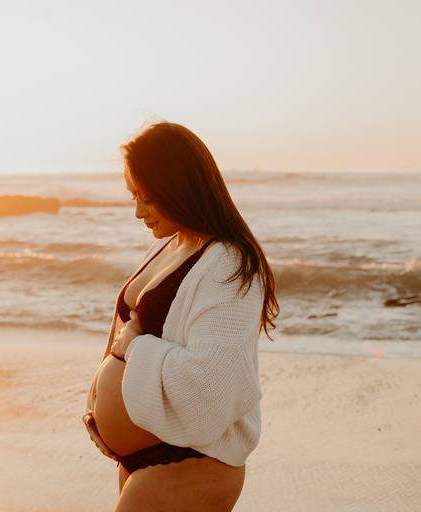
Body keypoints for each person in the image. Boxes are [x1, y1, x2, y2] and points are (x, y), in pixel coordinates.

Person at [83, 121, 279, 512]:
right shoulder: (173, 246)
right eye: (133, 197)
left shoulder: (228, 262)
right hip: (149, 459)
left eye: (148, 198)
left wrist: (136, 346)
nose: (138, 212)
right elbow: (124, 334)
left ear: (179, 187)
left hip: (192, 463)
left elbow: (209, 387)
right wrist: (97, 411)